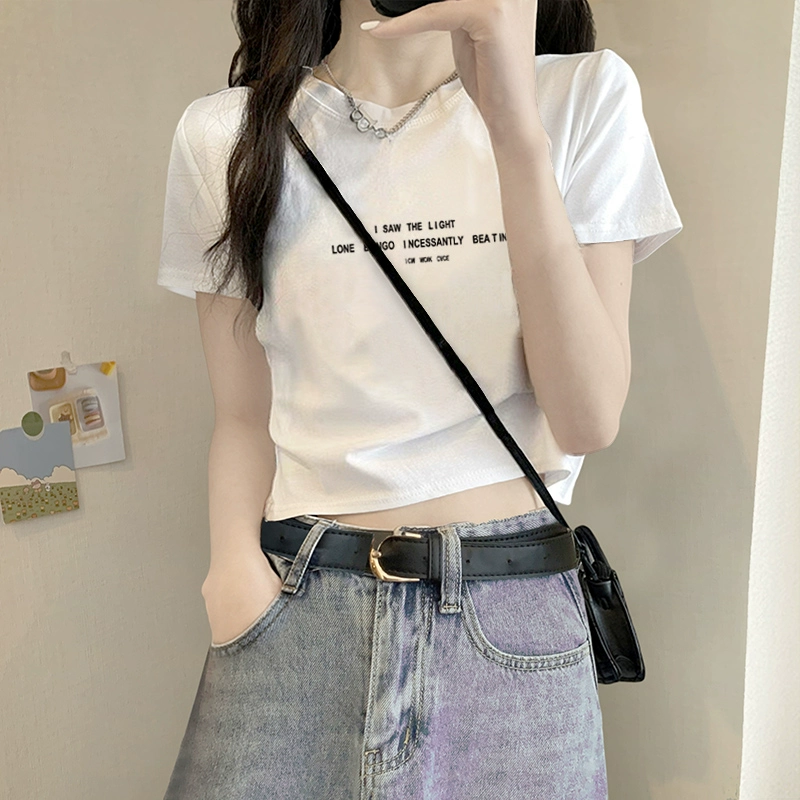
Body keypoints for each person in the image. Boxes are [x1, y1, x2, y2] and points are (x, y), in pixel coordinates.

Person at [156, 0, 683, 796]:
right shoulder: (225, 135)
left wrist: (513, 123)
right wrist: (231, 574)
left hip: (510, 613)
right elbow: (240, 415)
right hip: (297, 605)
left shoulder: (580, 96)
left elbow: (587, 415)